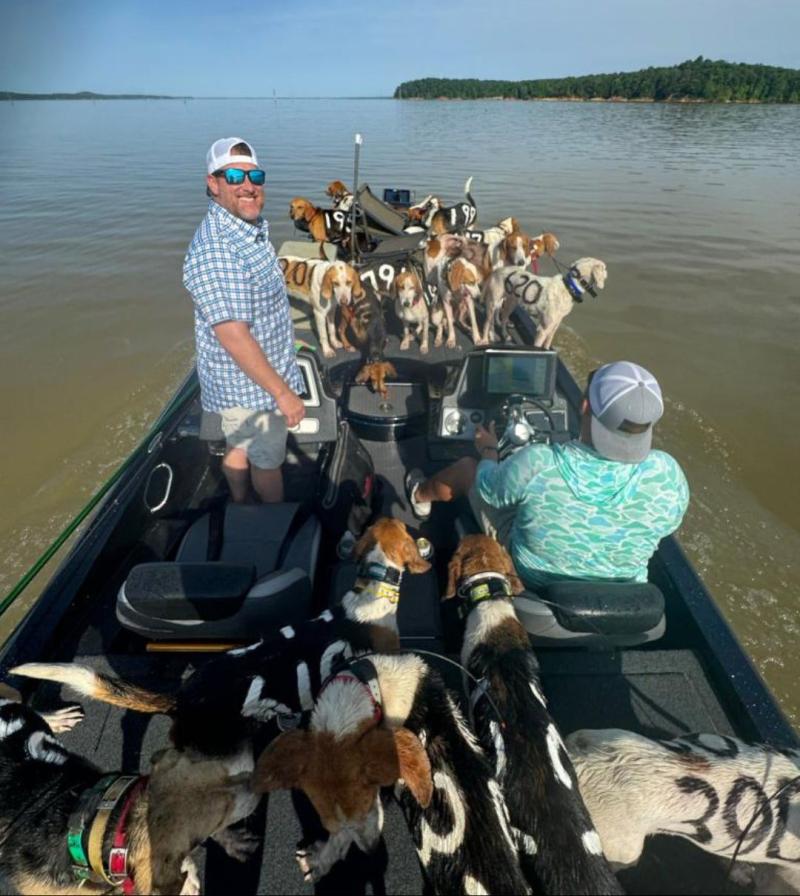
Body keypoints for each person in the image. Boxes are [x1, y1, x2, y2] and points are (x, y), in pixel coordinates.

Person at [406, 361, 689, 589]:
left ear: (585, 406)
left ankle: (420, 495)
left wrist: (490, 451)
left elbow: (490, 490)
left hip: (533, 581)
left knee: (470, 470)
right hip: (625, 593)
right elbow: (666, 525)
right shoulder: (667, 474)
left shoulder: (540, 462)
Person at [183, 137, 305, 503]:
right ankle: (271, 521)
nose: (248, 186)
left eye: (256, 176)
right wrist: (282, 393)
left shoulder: (246, 229)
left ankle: (240, 502)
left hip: (253, 380)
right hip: (251, 390)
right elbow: (234, 335)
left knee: (238, 445)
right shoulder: (218, 250)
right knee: (267, 462)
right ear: (213, 183)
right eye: (235, 176)